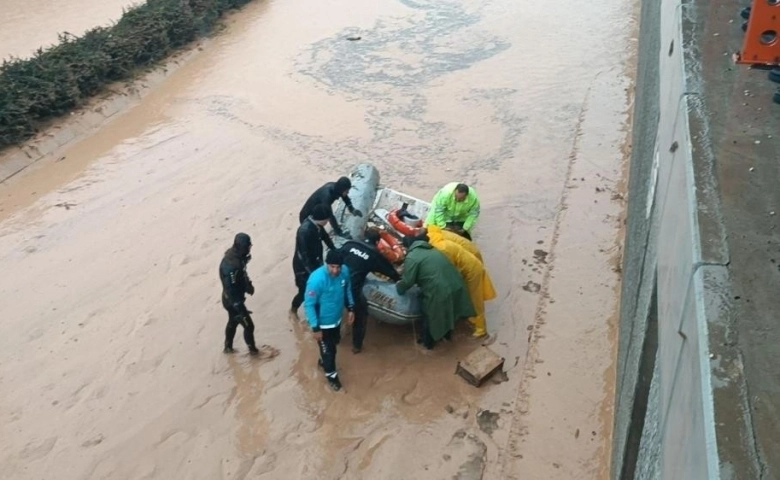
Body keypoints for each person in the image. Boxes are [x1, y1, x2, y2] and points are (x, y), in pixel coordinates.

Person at [396, 236, 476, 349]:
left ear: (408, 246)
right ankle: (447, 336)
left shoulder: (412, 257)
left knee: (430, 315)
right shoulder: (434, 251)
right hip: (456, 284)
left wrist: (399, 287)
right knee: (450, 311)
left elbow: (408, 281)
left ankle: (428, 343)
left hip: (440, 290)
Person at [417, 230, 496, 338]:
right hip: (469, 255)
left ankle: (481, 329)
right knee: (468, 293)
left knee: (475, 299)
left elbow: (447, 270)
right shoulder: (434, 234)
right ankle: (471, 316)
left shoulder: (441, 249)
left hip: (472, 270)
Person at [337, 228, 402, 353]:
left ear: (363, 235)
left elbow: (335, 257)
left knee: (334, 311)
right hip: (352, 290)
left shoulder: (350, 244)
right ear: (378, 242)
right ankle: (357, 346)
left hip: (336, 285)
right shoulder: (374, 255)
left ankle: (333, 338)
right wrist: (398, 279)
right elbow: (389, 271)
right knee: (360, 315)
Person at [305, 250, 355, 391]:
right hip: (322, 323)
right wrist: (315, 328)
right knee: (330, 353)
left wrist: (351, 308)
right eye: (332, 267)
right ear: (326, 265)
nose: (335, 270)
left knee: (334, 344)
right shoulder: (316, 280)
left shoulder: (344, 272)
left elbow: (348, 290)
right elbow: (309, 304)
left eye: (338, 267)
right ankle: (332, 377)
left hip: (336, 320)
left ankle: (323, 362)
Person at [291, 204, 335, 318]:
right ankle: (293, 309)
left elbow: (325, 237)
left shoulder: (317, 226)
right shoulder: (304, 231)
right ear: (322, 219)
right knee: (304, 292)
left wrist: (335, 250)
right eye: (327, 219)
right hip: (302, 267)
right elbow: (304, 255)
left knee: (319, 290)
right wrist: (313, 274)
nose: (328, 222)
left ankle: (319, 311)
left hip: (316, 261)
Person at [219, 233, 259, 355]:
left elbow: (242, 273)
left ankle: (228, 348)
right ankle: (253, 352)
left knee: (233, 321)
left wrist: (248, 285)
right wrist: (240, 309)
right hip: (232, 301)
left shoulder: (238, 256)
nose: (250, 248)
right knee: (249, 326)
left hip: (232, 298)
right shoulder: (231, 266)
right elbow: (231, 287)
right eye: (248, 245)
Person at [299, 176, 363, 239]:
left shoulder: (336, 188)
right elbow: (330, 215)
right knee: (314, 237)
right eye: (346, 191)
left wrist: (352, 209)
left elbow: (345, 197)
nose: (348, 192)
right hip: (306, 216)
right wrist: (339, 232)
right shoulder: (327, 195)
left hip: (317, 212)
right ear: (341, 190)